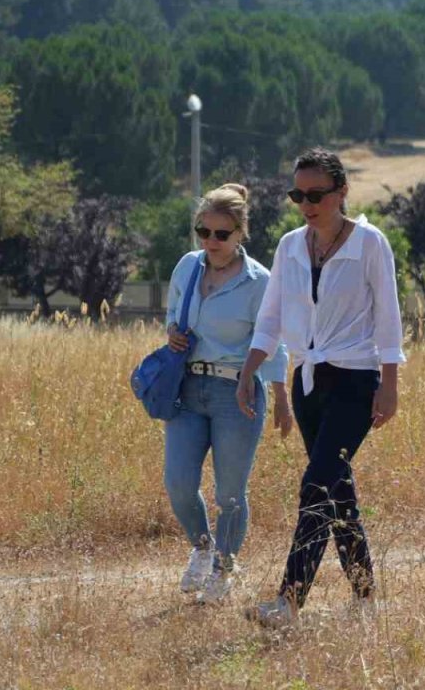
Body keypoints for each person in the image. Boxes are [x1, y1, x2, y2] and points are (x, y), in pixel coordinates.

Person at [238, 147, 405, 628]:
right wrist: (250, 372)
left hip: (356, 379)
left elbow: (389, 319)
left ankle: (288, 602)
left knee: (316, 484)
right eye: (298, 194)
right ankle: (367, 597)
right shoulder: (290, 246)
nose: (306, 204)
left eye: (316, 194)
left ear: (342, 192)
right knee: (337, 490)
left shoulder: (370, 243)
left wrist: (389, 384)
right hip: (308, 381)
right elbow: (269, 317)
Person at [163, 183, 291, 605]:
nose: (210, 242)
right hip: (187, 387)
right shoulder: (188, 266)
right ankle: (202, 548)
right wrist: (172, 332)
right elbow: (173, 312)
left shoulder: (260, 282)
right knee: (179, 483)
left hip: (236, 391)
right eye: (203, 232)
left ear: (240, 234)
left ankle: (224, 567)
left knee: (230, 493)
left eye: (221, 234)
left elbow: (274, 339)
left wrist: (281, 396)